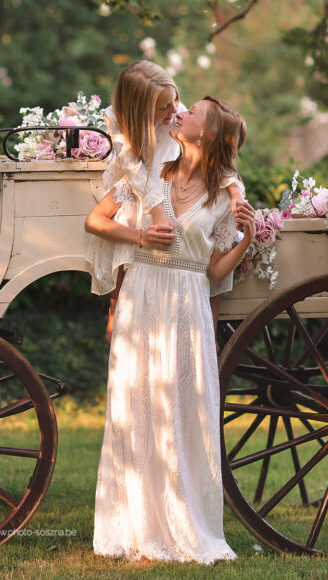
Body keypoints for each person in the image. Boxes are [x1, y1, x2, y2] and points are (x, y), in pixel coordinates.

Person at [85, 96, 255, 564]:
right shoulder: (149, 172)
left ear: (208, 133)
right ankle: (135, 524)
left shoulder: (224, 194)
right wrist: (138, 237)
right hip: (142, 293)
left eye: (191, 112)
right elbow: (95, 220)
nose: (180, 112)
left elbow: (217, 271)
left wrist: (248, 238)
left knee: (181, 409)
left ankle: (182, 522)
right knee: (135, 404)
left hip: (188, 302)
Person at [85, 61, 245, 342]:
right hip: (146, 169)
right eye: (165, 108)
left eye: (177, 103)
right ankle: (116, 306)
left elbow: (220, 159)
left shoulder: (180, 117)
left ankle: (207, 328)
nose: (176, 113)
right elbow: (134, 171)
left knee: (202, 230)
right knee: (131, 214)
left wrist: (234, 193)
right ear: (143, 110)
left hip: (182, 159)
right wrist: (152, 223)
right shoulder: (127, 128)